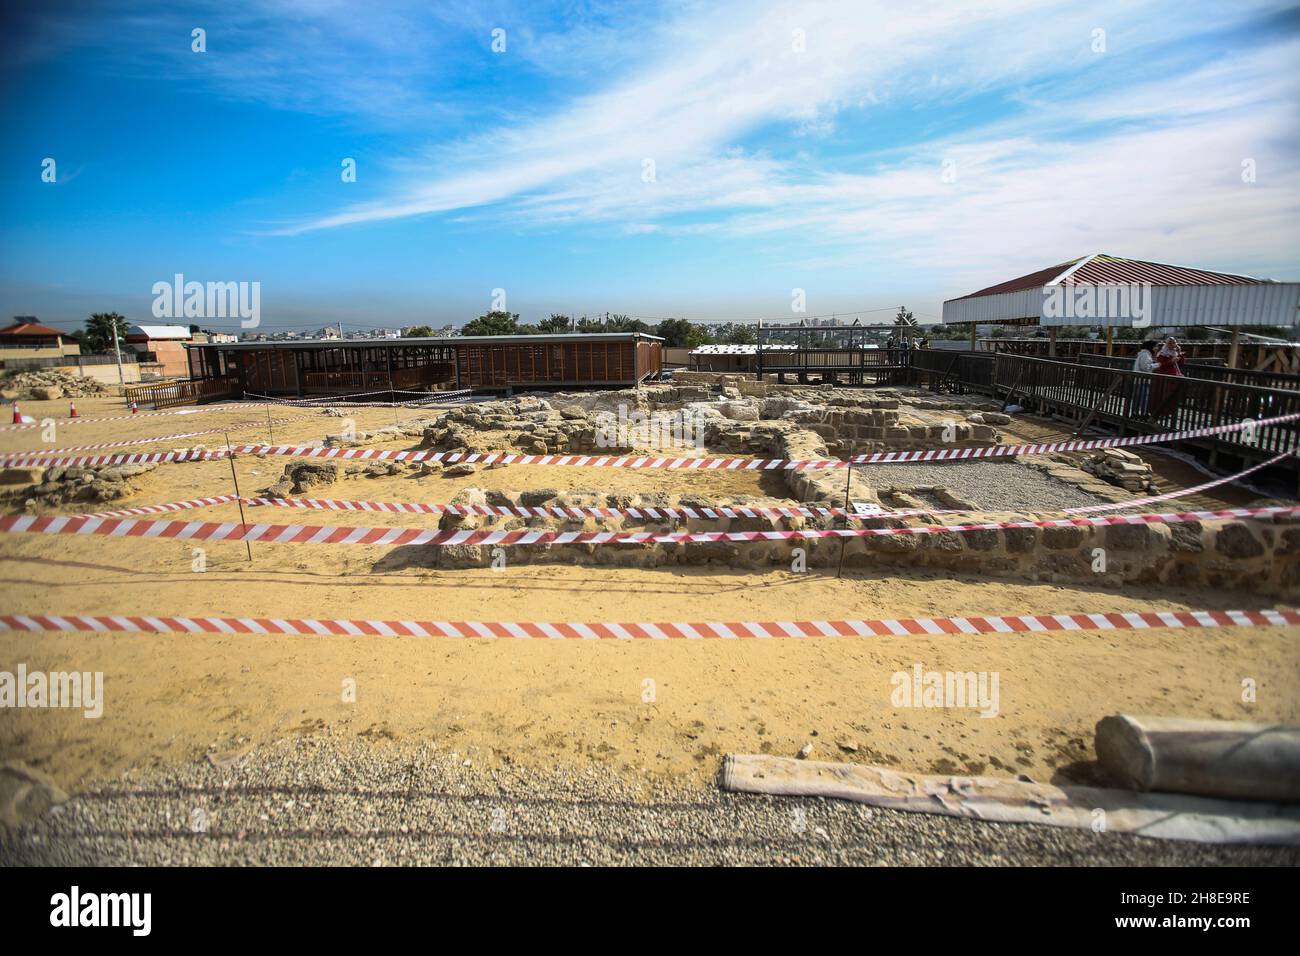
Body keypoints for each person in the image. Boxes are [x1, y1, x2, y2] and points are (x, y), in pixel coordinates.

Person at [1150, 336, 1185, 421]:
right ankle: (1158, 412)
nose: (1172, 345)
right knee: (1162, 394)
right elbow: (1160, 365)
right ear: (1167, 344)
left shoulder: (1174, 353)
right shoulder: (1162, 353)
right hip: (1164, 377)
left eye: (1174, 343)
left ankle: (1169, 412)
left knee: (1171, 395)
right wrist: (1171, 362)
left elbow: (1181, 363)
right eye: (1170, 343)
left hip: (1173, 377)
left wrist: (1179, 353)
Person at [1131, 339, 1157, 418]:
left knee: (1138, 397)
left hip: (1140, 379)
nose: (1157, 348)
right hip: (1142, 380)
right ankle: (1142, 414)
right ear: (1151, 347)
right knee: (1143, 398)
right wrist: (1157, 365)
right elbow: (1145, 367)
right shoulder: (1145, 355)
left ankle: (1135, 413)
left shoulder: (1143, 354)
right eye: (1156, 346)